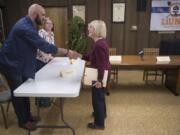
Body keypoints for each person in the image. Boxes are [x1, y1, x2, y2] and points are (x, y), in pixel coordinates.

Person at [0, 4, 72, 131]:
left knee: (25, 89)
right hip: (11, 64)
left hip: (18, 62)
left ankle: (27, 116)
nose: (44, 18)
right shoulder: (25, 27)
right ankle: (23, 121)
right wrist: (66, 51)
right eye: (43, 15)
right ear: (35, 14)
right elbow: (44, 46)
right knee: (18, 92)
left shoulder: (30, 25)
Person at [73, 20, 111, 130]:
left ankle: (99, 124)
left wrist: (99, 80)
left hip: (99, 74)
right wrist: (79, 55)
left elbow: (101, 64)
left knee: (97, 99)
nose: (88, 29)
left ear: (96, 30)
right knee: (100, 97)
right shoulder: (99, 42)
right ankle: (102, 114)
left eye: (90, 27)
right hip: (102, 73)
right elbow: (90, 56)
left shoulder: (99, 45)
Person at [35, 17, 55, 107]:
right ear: (44, 24)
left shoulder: (52, 34)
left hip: (48, 61)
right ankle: (41, 102)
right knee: (41, 81)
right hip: (40, 60)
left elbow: (51, 47)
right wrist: (47, 56)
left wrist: (51, 56)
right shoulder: (41, 33)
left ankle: (46, 101)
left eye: (51, 23)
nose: (50, 25)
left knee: (47, 80)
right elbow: (39, 48)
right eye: (48, 23)